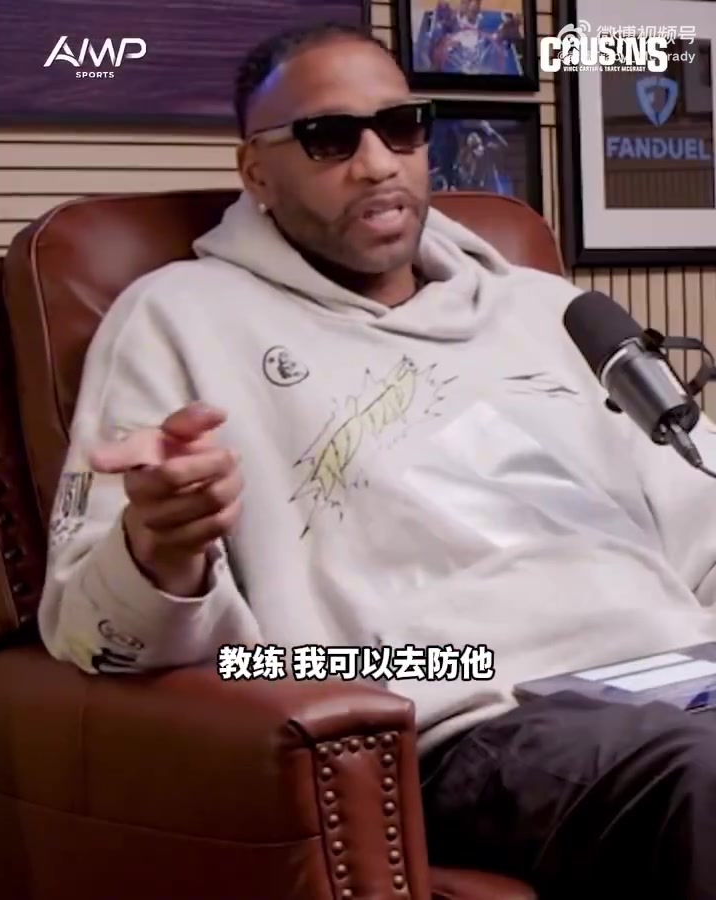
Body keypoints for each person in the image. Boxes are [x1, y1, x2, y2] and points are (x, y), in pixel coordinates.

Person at [38, 21, 716, 900]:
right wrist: (159, 547)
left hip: (675, 677)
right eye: (330, 137)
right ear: (255, 172)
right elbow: (85, 631)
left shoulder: (549, 312)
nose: (376, 164)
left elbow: (702, 519)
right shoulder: (178, 319)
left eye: (401, 128)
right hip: (477, 717)